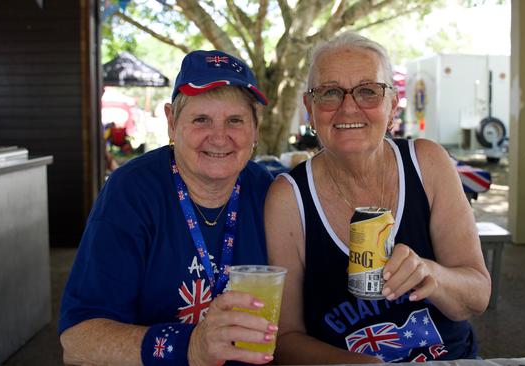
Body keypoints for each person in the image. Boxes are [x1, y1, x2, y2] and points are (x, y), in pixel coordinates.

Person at [265, 32, 491, 363]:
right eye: (329, 93)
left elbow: (477, 297)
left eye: (368, 91)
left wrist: (431, 274)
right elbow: (284, 338)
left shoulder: (427, 163)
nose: (348, 108)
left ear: (392, 104)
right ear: (310, 109)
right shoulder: (289, 197)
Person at [59, 50, 277, 366]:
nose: (219, 137)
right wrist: (190, 347)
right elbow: (78, 341)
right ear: (172, 123)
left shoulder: (267, 190)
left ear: (256, 129)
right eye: (201, 119)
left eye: (235, 120)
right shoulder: (131, 191)